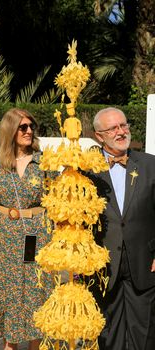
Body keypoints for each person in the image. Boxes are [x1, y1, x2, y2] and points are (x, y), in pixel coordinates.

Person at [0, 108, 54, 350]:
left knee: (35, 288)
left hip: (36, 233)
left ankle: (35, 344)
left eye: (31, 126)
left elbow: (55, 201)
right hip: (4, 235)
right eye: (23, 127)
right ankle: (10, 345)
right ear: (10, 130)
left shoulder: (44, 162)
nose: (29, 131)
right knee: (8, 287)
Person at [90, 107, 155, 350]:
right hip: (106, 266)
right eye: (113, 128)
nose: (121, 132)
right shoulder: (87, 170)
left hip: (144, 261)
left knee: (145, 333)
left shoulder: (150, 164)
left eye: (123, 125)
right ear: (99, 136)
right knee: (109, 334)